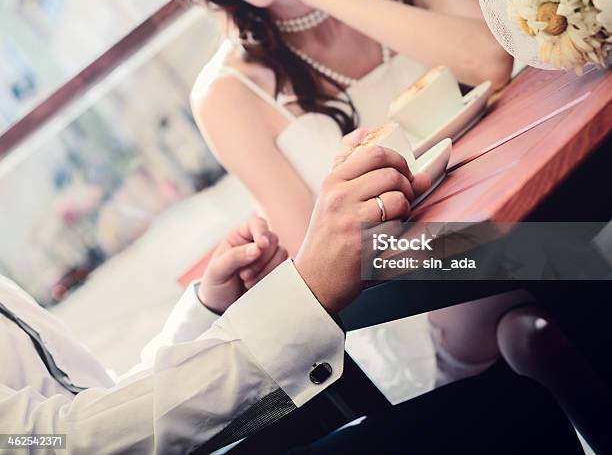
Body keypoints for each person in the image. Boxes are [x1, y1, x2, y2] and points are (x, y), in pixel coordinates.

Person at [144, 0, 521, 391]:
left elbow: (492, 60)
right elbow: (335, 264)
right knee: (540, 261)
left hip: (512, 207)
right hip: (412, 300)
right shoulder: (228, 94)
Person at [0, 144, 584, 454]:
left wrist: (207, 310)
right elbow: (60, 445)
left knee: (520, 359)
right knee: (508, 395)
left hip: (297, 354)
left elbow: (91, 410)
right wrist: (302, 292)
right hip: (344, 344)